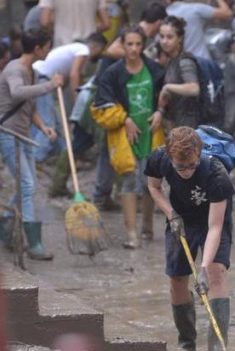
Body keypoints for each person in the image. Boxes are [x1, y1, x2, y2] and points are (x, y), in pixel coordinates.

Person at [145, 127, 234, 351]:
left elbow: (215, 227)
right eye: (180, 167)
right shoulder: (160, 157)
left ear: (199, 155)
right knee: (177, 278)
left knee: (216, 273)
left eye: (191, 166)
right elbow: (154, 187)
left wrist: (203, 267)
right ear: (170, 157)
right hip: (180, 217)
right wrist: (171, 213)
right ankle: (186, 346)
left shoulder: (216, 174)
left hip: (213, 220)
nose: (186, 172)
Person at [0, 29, 63, 261]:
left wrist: (43, 127)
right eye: (47, 46)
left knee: (28, 187)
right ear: (37, 48)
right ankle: (34, 244)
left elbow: (27, 105)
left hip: (23, 136)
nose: (49, 50)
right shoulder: (15, 69)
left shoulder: (30, 71)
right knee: (27, 185)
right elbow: (17, 93)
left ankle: (3, 232)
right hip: (7, 135)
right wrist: (50, 86)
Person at [93, 25, 164, 249]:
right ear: (122, 46)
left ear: (143, 45)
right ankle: (132, 234)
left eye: (138, 44)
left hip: (151, 132)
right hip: (125, 136)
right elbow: (101, 103)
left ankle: (148, 229)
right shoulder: (112, 73)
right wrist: (125, 119)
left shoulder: (154, 69)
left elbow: (165, 97)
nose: (133, 49)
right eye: (129, 44)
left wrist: (160, 112)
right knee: (128, 180)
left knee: (150, 181)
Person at [32, 32, 108, 164]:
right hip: (41, 78)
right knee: (47, 123)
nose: (100, 54)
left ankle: (64, 157)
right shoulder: (83, 50)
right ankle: (35, 159)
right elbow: (74, 75)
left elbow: (77, 77)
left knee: (57, 125)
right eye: (101, 50)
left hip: (40, 77)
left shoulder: (76, 49)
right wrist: (78, 101)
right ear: (96, 46)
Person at [156, 16, 201, 129]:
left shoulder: (185, 61)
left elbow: (194, 88)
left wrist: (167, 87)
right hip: (177, 124)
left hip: (189, 126)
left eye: (170, 37)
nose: (164, 41)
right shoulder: (170, 60)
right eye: (162, 37)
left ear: (179, 38)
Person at [166, 0, 233, 60]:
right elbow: (227, 13)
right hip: (201, 61)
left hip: (179, 65)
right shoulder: (194, 9)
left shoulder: (163, 15)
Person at [39, 0, 110, 47]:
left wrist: (55, 30)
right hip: (89, 44)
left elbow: (45, 22)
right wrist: (93, 28)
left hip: (62, 42)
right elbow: (106, 24)